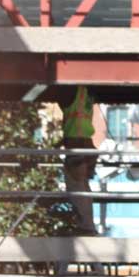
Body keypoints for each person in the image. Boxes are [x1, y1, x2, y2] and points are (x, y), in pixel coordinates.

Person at [61, 85, 99, 234]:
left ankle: (85, 225)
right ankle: (87, 224)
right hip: (87, 145)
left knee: (76, 186)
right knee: (83, 187)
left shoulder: (73, 92)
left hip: (76, 145)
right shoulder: (88, 95)